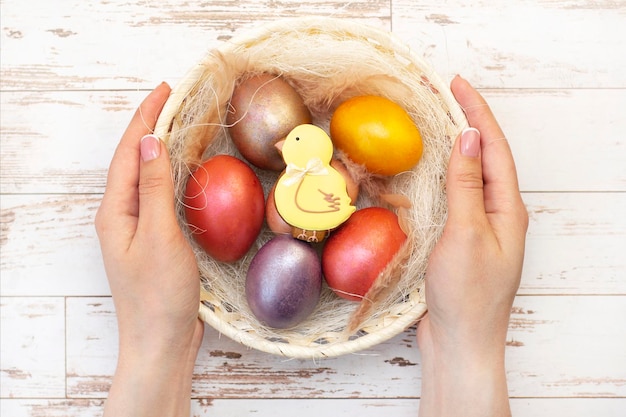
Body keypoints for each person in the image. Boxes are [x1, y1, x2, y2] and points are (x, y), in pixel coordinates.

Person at [95, 75, 528, 417]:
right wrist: (468, 348)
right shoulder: (296, 187)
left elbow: (328, 200)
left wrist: (153, 344)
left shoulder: (320, 186)